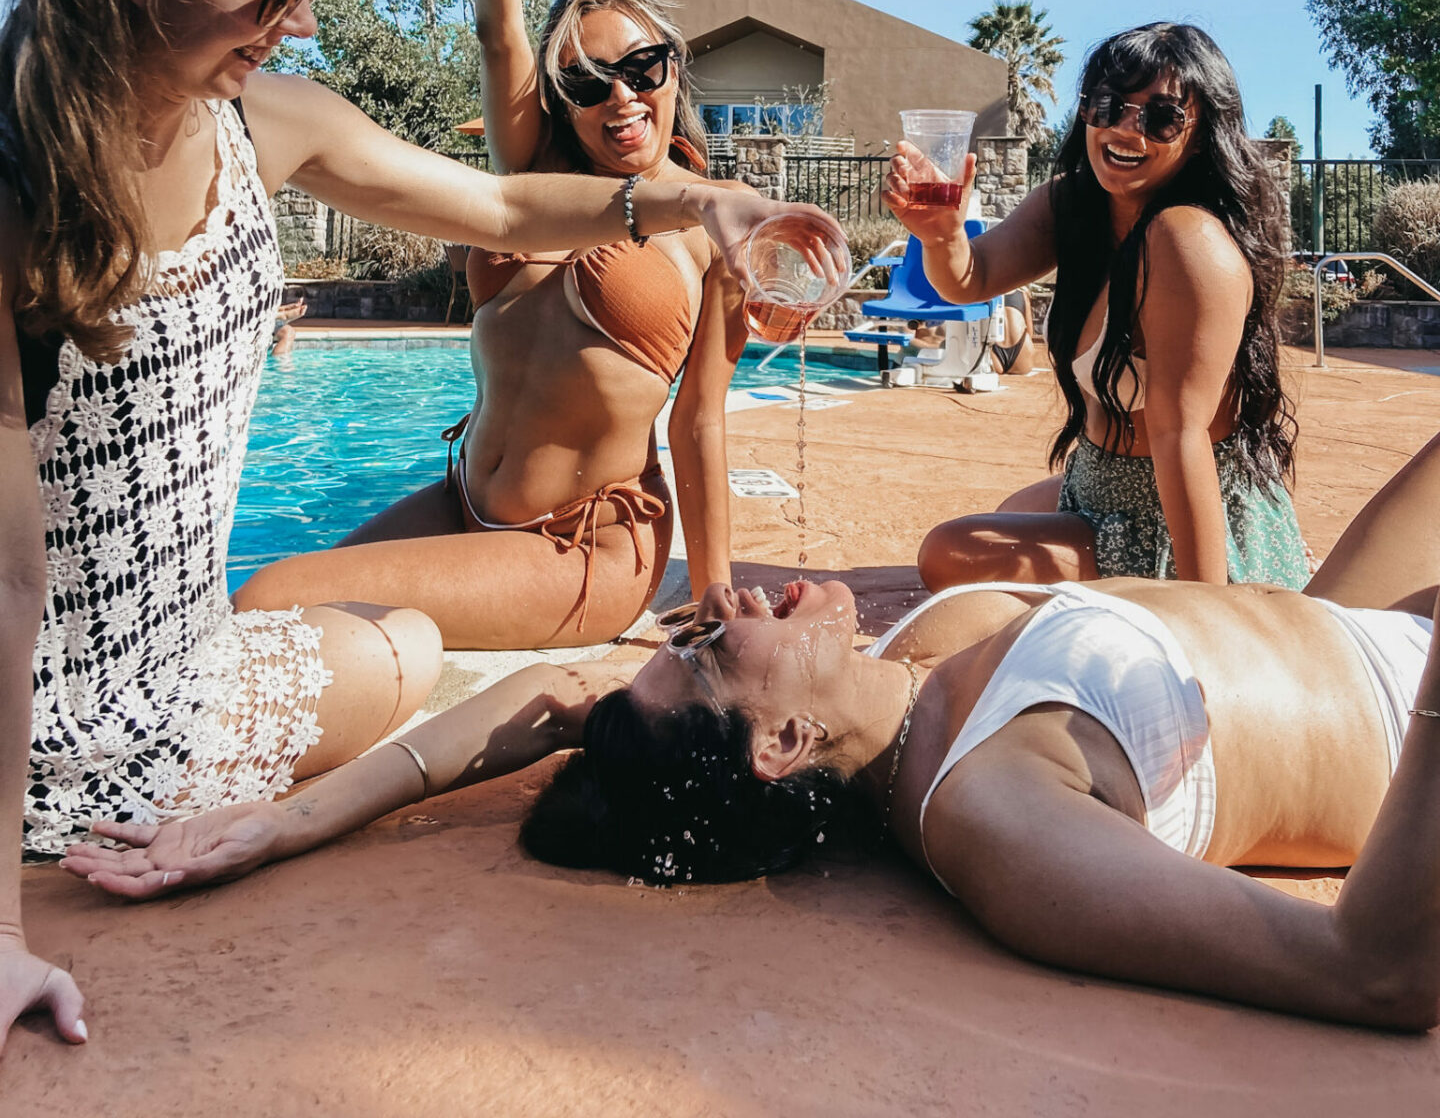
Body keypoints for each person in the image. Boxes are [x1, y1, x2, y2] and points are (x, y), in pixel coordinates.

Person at [0, 0, 836, 1047]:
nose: (309, 16)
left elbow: (683, 398)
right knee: (341, 624)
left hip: (574, 544)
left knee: (362, 633)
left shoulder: (273, 125)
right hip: (407, 526)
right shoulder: (48, 191)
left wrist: (704, 198)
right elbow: (507, 125)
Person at [68, 430, 1440, 1032]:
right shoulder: (1000, 819)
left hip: (1341, 616)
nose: (720, 597)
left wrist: (279, 820)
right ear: (778, 748)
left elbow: (548, 706)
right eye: (719, 643)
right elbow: (1373, 976)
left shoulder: (892, 675)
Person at [234, 0, 751, 651]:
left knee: (274, 601)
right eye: (589, 83)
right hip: (461, 504)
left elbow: (700, 423)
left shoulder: (717, 229)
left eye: (643, 68)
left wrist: (715, 588)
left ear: (675, 69)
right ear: (562, 99)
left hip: (579, 551)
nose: (622, 99)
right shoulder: (533, 182)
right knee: (249, 614)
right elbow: (498, 30)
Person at [886, 23, 1309, 589]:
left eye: (1160, 117)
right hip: (1097, 482)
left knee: (950, 554)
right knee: (1009, 510)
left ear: (1203, 134)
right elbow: (971, 278)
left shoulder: (1186, 240)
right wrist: (941, 237)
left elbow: (1181, 434)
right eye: (1106, 105)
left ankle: (1223, 576)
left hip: (1163, 517)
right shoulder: (1075, 204)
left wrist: (1205, 616)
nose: (1124, 128)